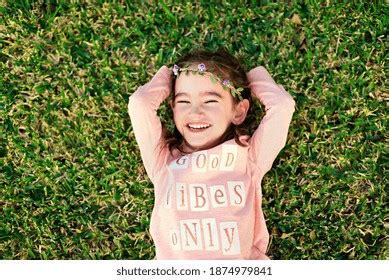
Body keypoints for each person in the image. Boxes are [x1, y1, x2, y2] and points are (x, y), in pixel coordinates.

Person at [128, 49, 296, 259]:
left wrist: (251, 76)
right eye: (183, 102)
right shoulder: (163, 160)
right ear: (173, 109)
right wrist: (170, 74)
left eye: (210, 101)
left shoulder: (249, 157)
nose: (195, 112)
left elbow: (282, 105)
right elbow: (139, 103)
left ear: (239, 111)